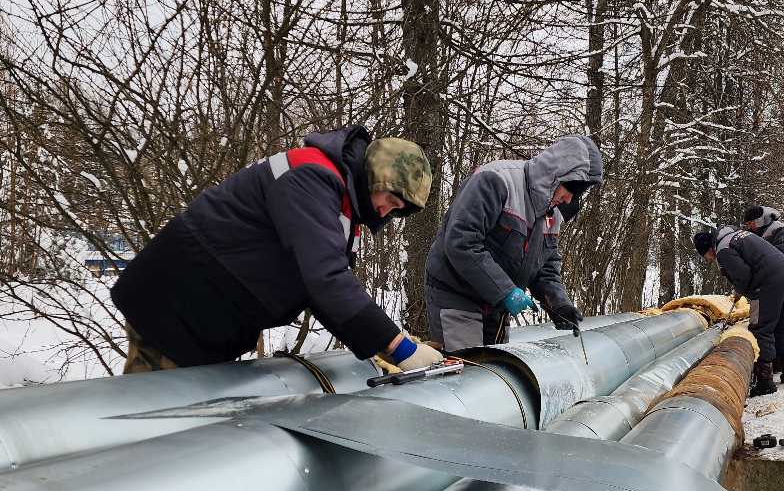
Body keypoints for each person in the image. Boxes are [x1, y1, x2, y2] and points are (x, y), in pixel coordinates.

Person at [111, 125, 443, 374]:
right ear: (375, 177)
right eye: (389, 200)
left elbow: (322, 294)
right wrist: (397, 347)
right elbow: (325, 279)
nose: (386, 212)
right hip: (175, 305)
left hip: (205, 316)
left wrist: (381, 348)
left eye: (396, 209)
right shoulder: (312, 178)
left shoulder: (341, 208)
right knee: (152, 420)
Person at [424, 136, 603, 351]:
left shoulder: (552, 214)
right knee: (468, 373)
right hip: (457, 295)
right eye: (569, 190)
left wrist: (559, 305)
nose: (568, 200)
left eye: (576, 195)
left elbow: (545, 267)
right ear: (556, 176)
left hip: (497, 306)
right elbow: (462, 242)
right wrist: (506, 291)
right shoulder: (496, 181)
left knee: (496, 374)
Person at [693, 226, 784, 395]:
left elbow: (742, 274)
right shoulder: (737, 236)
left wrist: (739, 290)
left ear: (708, 248)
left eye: (706, 255)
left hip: (767, 280)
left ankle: (765, 380)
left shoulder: (723, 249)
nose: (709, 259)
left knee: (761, 328)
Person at [743, 205, 784, 367]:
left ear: (759, 219)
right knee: (779, 317)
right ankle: (782, 357)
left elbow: (780, 256)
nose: (749, 227)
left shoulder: (780, 230)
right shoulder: (763, 233)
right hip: (778, 277)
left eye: (750, 223)